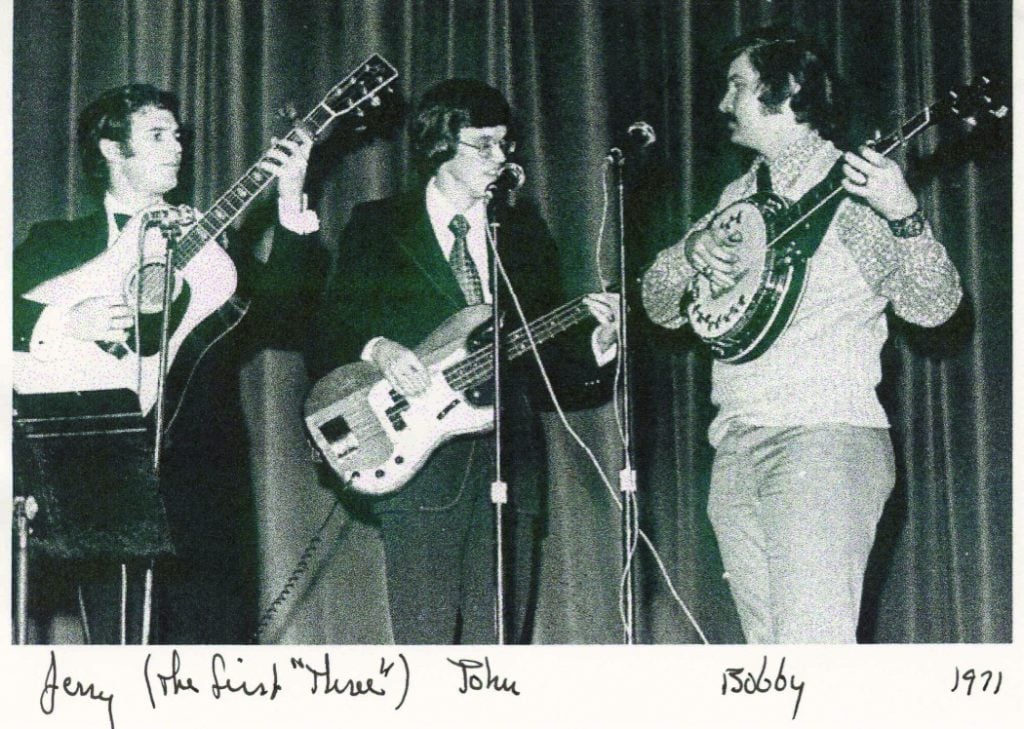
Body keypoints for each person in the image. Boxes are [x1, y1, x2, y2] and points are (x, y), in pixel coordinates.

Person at [641, 26, 962, 643]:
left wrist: (904, 214)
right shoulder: (739, 194)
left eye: (737, 86)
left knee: (813, 650)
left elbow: (934, 307)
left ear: (785, 93)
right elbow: (658, 303)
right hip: (735, 444)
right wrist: (691, 250)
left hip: (823, 441)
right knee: (769, 660)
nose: (722, 103)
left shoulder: (854, 194)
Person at [307, 78, 620, 644]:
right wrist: (381, 349)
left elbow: (551, 366)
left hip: (511, 461)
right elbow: (327, 331)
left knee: (499, 651)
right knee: (423, 647)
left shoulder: (522, 231)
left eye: (506, 145)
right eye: (484, 145)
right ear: (438, 146)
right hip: (420, 468)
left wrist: (598, 345)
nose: (501, 160)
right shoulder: (378, 224)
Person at [13, 83, 321, 644]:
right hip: (102, 472)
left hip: (205, 479)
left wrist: (290, 201)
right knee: (119, 641)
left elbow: (286, 314)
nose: (176, 146)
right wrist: (68, 321)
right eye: (157, 135)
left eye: (177, 135)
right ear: (111, 149)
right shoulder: (57, 242)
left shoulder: (204, 248)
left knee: (216, 645)